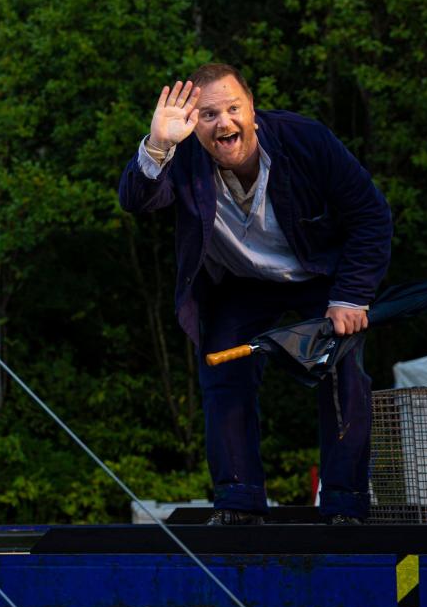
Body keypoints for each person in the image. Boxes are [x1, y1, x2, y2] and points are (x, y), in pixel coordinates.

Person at [118, 63, 392, 526]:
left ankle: (345, 504)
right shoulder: (180, 156)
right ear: (194, 126)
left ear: (253, 112)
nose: (223, 123)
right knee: (222, 374)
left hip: (316, 276)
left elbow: (371, 215)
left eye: (232, 109)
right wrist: (159, 145)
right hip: (239, 283)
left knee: (343, 373)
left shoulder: (306, 140)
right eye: (208, 116)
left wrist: (351, 296)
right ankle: (239, 502)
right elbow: (137, 200)